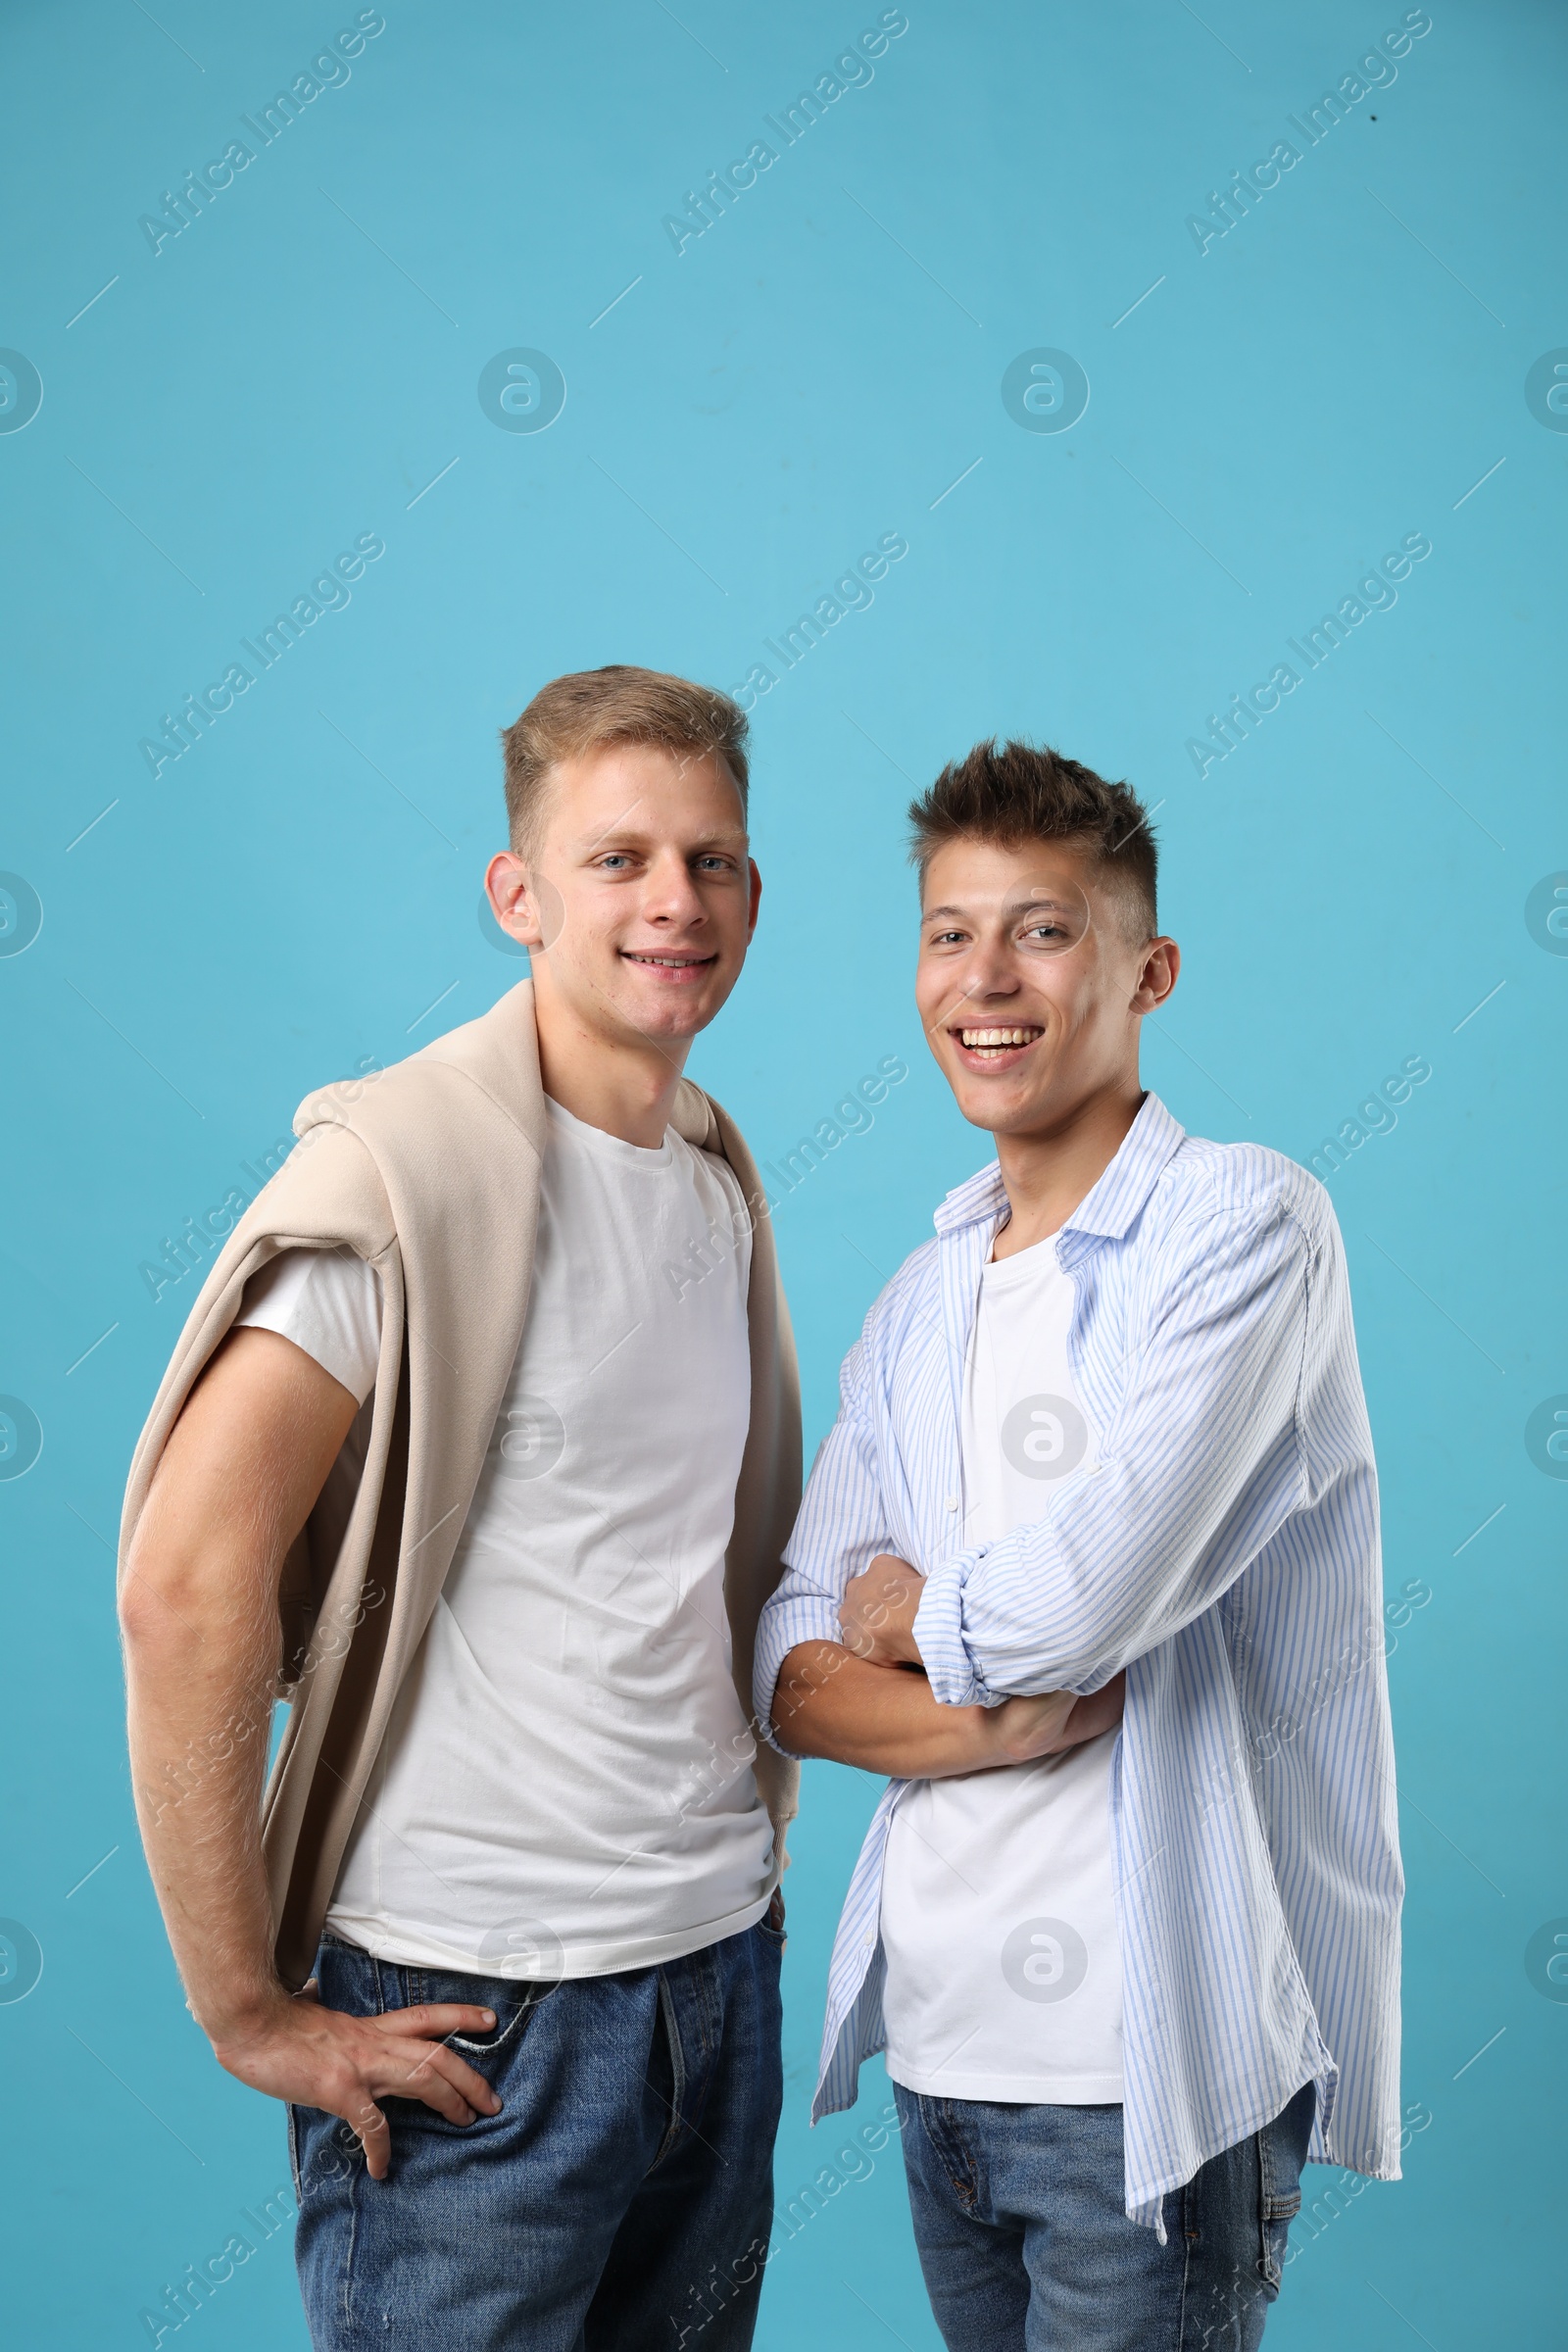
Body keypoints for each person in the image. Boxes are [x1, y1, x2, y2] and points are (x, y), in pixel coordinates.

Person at [119, 667, 801, 2352]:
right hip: (475, 2015)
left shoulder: (711, 1173)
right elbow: (187, 1586)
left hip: (714, 1973)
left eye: (710, 861)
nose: (673, 902)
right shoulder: (400, 1180)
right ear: (518, 895)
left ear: (754, 895)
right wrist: (242, 2009)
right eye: (618, 857)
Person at [754, 739, 1403, 2351]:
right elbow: (783, 1655)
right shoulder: (918, 1303)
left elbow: (1075, 1611)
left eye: (1041, 930)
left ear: (1146, 968)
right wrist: (999, 1709)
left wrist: (902, 1610)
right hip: (945, 2071)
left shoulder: (1248, 1228)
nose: (985, 979)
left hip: (1150, 2092)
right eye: (948, 932)